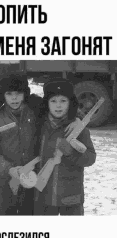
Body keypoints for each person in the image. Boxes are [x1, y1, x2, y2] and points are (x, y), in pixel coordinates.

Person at [0, 73, 78, 215]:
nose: (14, 98)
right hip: (7, 181)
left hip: (32, 178)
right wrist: (9, 169)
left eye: (18, 93)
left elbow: (58, 111)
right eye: (9, 94)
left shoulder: (36, 110)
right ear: (2, 95)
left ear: (25, 93)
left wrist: (74, 119)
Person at [34, 78, 96, 216]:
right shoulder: (40, 126)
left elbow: (90, 158)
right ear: (47, 103)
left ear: (70, 103)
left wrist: (71, 153)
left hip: (71, 199)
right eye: (53, 101)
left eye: (63, 101)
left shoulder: (79, 129)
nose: (58, 106)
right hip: (44, 196)